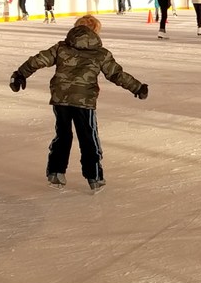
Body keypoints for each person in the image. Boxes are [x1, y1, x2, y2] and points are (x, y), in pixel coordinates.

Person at [10, 14, 147, 192]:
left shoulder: (61, 47)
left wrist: (20, 74)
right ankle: (94, 176)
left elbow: (38, 60)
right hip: (84, 101)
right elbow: (116, 74)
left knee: (63, 135)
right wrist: (137, 87)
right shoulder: (100, 53)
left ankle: (55, 172)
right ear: (96, 32)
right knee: (88, 136)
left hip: (61, 99)